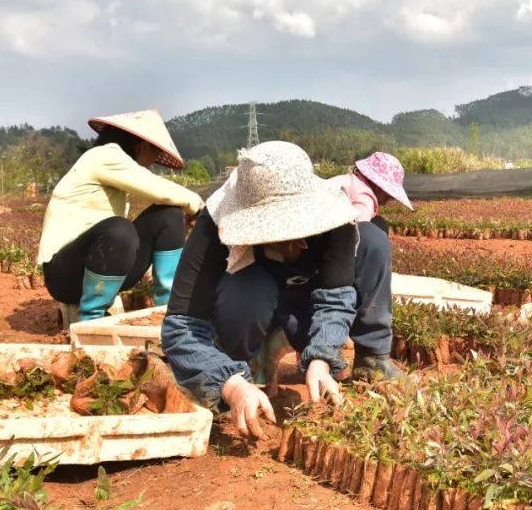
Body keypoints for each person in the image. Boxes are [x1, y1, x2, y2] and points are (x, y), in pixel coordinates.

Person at [161, 141, 401, 438]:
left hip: (305, 303)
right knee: (250, 292)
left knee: (373, 239)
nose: (292, 245)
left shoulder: (336, 216)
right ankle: (240, 362)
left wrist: (321, 358)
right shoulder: (213, 225)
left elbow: (336, 298)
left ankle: (371, 358)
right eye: (277, 233)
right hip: (249, 307)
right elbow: (180, 326)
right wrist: (230, 384)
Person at [38, 110, 204, 324]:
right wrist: (199, 208)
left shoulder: (113, 165)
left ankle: (168, 311)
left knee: (169, 214)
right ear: (143, 146)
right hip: (64, 275)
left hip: (104, 267)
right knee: (119, 230)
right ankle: (91, 319)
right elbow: (154, 186)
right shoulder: (103, 156)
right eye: (154, 156)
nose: (152, 164)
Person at [326, 151, 414, 231]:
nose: (384, 203)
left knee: (378, 223)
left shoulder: (350, 180)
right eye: (387, 196)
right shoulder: (364, 198)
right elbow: (358, 233)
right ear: (379, 187)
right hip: (319, 238)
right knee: (376, 231)